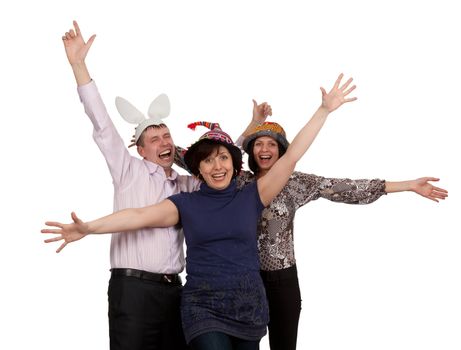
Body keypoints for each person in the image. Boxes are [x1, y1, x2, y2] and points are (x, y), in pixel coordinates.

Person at [43, 73, 357, 350]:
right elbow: (138, 216)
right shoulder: (176, 195)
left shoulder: (239, 193)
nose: (216, 166)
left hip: (239, 305)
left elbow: (286, 158)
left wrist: (323, 110)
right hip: (194, 305)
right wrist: (89, 228)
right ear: (197, 169)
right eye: (207, 161)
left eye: (223, 159)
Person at [232, 119, 448, 350]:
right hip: (243, 276)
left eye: (271, 144)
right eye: (258, 144)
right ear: (251, 149)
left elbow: (346, 188)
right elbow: (207, 156)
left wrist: (408, 185)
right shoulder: (238, 180)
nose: (264, 150)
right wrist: (253, 121)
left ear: (282, 150)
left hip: (281, 280)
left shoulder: (297, 182)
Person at [61, 20, 203, 350]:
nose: (163, 141)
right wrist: (79, 65)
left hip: (175, 292)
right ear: (141, 150)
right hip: (133, 291)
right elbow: (101, 123)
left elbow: (217, 168)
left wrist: (249, 131)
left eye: (167, 135)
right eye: (154, 139)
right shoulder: (128, 171)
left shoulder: (186, 186)